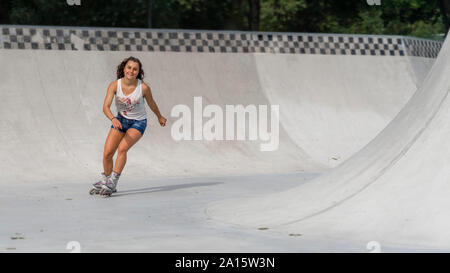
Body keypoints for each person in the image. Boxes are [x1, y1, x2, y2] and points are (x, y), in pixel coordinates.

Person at [89, 56, 167, 196]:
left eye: (135, 69)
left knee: (122, 149)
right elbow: (105, 107)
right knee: (107, 153)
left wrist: (159, 116)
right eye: (129, 67)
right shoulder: (114, 85)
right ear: (124, 68)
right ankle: (106, 180)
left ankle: (113, 182)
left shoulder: (143, 88)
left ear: (138, 72)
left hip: (138, 123)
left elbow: (151, 103)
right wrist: (113, 118)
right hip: (120, 120)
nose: (131, 71)